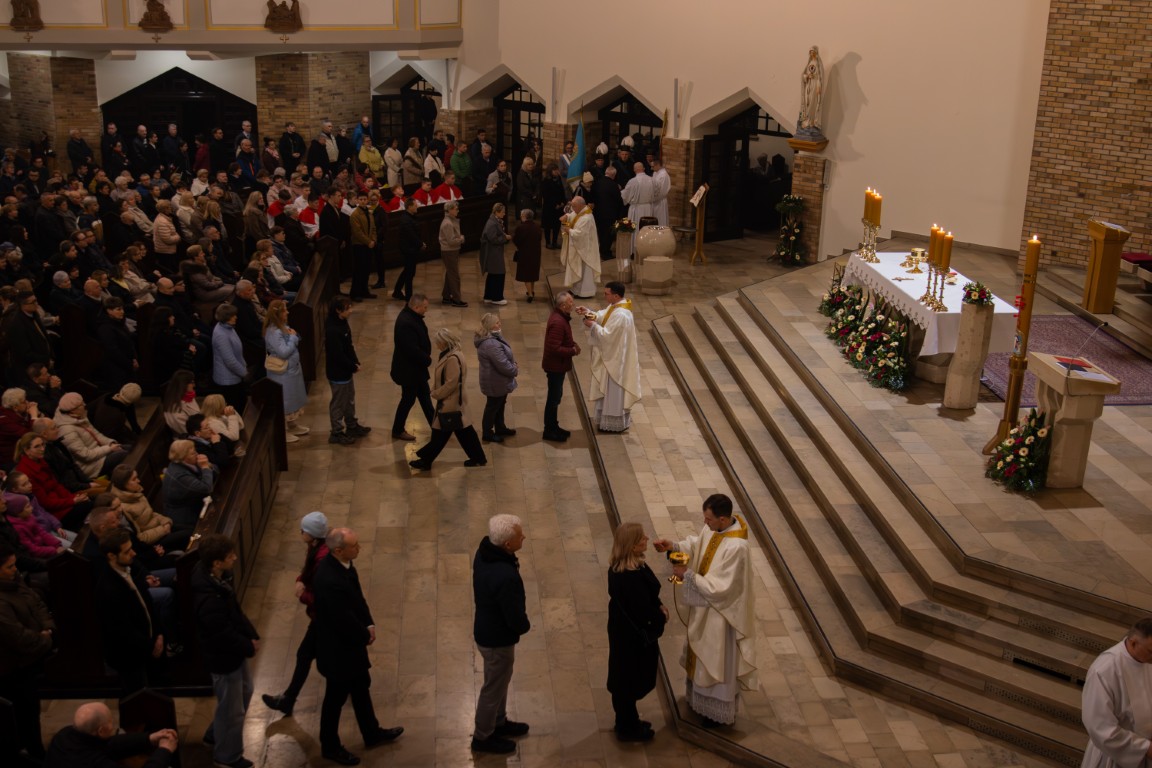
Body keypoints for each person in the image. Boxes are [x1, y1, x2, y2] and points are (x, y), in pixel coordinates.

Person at [652, 494, 757, 728]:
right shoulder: (714, 529)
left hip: (721, 615)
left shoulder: (737, 547)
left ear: (723, 519)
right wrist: (674, 546)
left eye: (709, 519)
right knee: (701, 657)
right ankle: (698, 700)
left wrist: (688, 575)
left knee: (715, 659)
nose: (705, 523)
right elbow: (698, 545)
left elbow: (722, 588)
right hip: (704, 609)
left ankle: (715, 712)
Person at [313, 527, 404, 765]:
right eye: (354, 546)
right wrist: (364, 635)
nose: (359, 548)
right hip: (338, 651)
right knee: (335, 699)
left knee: (361, 687)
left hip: (350, 646)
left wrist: (369, 623)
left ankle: (371, 733)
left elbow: (357, 599)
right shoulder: (329, 580)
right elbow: (342, 618)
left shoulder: (344, 565)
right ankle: (330, 747)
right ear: (338, 550)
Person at [192, 533, 260, 768]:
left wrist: (251, 634)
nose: (235, 558)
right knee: (232, 711)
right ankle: (227, 757)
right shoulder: (208, 599)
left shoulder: (218, 579)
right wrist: (247, 645)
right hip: (223, 658)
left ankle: (214, 735)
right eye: (230, 556)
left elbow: (235, 612)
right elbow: (222, 634)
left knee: (246, 691)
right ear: (216, 563)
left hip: (234, 653)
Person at [471, 514, 531, 755]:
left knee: (499, 681)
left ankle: (499, 721)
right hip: (497, 638)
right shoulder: (504, 576)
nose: (523, 537)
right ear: (507, 544)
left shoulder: (484, 552)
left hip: (488, 629)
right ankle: (483, 736)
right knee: (493, 688)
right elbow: (513, 614)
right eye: (519, 535)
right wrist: (523, 626)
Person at [262, 510, 330, 716]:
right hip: (321, 618)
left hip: (324, 618)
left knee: (311, 657)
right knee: (308, 655)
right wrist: (300, 579)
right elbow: (307, 571)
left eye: (303, 530)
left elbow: (323, 597)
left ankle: (288, 700)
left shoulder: (322, 558)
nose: (300, 532)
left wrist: (303, 594)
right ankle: (288, 699)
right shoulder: (315, 548)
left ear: (313, 534)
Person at [607, 522, 667, 741]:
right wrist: (661, 617)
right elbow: (642, 610)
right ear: (632, 546)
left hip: (624, 633)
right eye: (642, 537)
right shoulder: (628, 577)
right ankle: (627, 727)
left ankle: (628, 720)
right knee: (628, 680)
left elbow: (649, 596)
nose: (647, 538)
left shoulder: (625, 566)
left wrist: (658, 604)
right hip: (631, 638)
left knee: (626, 678)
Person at [0, 540, 54, 762]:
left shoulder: (14, 580)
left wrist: (48, 627)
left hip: (32, 658)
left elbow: (37, 602)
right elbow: (17, 637)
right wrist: (45, 640)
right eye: (10, 567)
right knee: (24, 716)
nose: (16, 570)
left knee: (33, 712)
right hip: (14, 668)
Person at [95, 527, 163, 696]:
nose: (133, 553)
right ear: (112, 556)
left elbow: (147, 604)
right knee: (137, 697)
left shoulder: (128, 569)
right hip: (129, 656)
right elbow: (123, 630)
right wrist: (151, 646)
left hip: (146, 646)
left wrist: (159, 634)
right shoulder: (108, 589)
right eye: (127, 551)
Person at [409, 328, 486, 471]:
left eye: (438, 342)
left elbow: (451, 383)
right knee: (463, 431)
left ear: (444, 343)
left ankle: (426, 460)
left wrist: (437, 393)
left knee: (441, 433)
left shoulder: (452, 359)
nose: (436, 345)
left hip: (450, 402)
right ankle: (478, 458)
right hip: (455, 402)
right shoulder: (454, 354)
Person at [1080, 618, 1152, 767]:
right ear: (1133, 643)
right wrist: (1145, 748)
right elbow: (1100, 726)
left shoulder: (1147, 660)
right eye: (1151, 651)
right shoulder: (1104, 670)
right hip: (1114, 756)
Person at [577, 281, 641, 433]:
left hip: (615, 360)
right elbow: (603, 316)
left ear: (616, 296)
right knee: (607, 390)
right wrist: (588, 312)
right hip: (613, 356)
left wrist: (592, 325)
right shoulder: (616, 307)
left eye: (607, 294)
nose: (604, 296)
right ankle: (606, 419)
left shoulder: (621, 314)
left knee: (613, 390)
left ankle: (613, 422)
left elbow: (608, 336)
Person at [44, 702, 178, 768]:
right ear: (101, 731)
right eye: (110, 721)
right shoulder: (95, 763)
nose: (113, 725)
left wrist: (149, 738)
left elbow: (108, 744)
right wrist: (164, 750)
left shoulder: (64, 735)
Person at [325, 296, 370, 445]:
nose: (351, 310)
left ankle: (351, 425)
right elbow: (337, 355)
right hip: (338, 372)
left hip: (346, 371)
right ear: (338, 310)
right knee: (338, 403)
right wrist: (352, 366)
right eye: (347, 308)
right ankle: (336, 433)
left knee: (349, 399)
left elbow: (348, 345)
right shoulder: (332, 329)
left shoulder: (342, 322)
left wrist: (355, 361)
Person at [264, 299, 311, 444]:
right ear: (278, 314)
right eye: (285, 310)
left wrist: (293, 336)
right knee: (285, 401)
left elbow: (293, 337)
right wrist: (293, 337)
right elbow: (283, 352)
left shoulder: (282, 326)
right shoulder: (273, 332)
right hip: (282, 372)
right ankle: (283, 431)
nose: (288, 312)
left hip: (291, 370)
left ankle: (292, 425)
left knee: (294, 398)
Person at [390, 294, 433, 441]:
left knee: (425, 397)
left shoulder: (411, 316)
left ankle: (436, 426)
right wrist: (427, 359)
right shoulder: (406, 323)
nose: (426, 310)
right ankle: (397, 430)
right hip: (409, 371)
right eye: (424, 307)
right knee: (408, 400)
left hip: (416, 370)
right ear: (416, 307)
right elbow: (411, 350)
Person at [541, 291, 580, 442]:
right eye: (570, 302)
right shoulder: (558, 322)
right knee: (553, 398)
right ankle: (549, 430)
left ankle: (554, 426)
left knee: (556, 397)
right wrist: (572, 351)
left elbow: (561, 340)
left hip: (558, 365)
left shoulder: (561, 317)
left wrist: (573, 343)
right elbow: (554, 348)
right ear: (563, 305)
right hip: (555, 366)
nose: (573, 304)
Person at [475, 313, 518, 444]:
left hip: (498, 380)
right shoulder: (491, 344)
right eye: (497, 322)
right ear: (490, 326)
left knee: (500, 404)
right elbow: (502, 364)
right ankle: (487, 433)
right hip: (495, 381)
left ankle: (500, 427)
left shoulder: (494, 337)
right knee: (493, 407)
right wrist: (514, 369)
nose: (500, 324)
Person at [161, 438, 216, 527]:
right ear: (183, 458)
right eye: (193, 453)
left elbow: (216, 472)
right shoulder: (179, 475)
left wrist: (208, 465)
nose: (197, 454)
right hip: (184, 518)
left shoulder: (188, 462)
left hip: (194, 504)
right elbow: (206, 488)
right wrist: (205, 467)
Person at [561, 195, 601, 300]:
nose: (573, 208)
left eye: (574, 206)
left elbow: (580, 234)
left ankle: (585, 293)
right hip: (580, 248)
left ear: (581, 205)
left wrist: (569, 230)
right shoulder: (581, 211)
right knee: (578, 269)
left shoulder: (587, 218)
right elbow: (573, 216)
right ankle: (575, 290)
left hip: (585, 250)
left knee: (584, 271)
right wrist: (567, 216)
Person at [620, 162, 656, 254]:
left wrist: (620, 191)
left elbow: (625, 195)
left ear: (634, 170)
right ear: (643, 169)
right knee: (647, 230)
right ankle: (646, 251)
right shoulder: (651, 180)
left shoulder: (632, 181)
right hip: (648, 208)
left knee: (636, 229)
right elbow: (656, 193)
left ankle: (634, 251)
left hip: (636, 208)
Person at [391, 198, 422, 302]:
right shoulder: (405, 220)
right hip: (408, 249)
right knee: (409, 273)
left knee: (408, 271)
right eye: (415, 205)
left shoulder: (410, 217)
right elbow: (411, 235)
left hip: (411, 248)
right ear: (409, 207)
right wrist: (420, 244)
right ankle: (409, 297)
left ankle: (397, 291)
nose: (417, 206)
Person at [348, 191, 376, 301]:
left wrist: (373, 240)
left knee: (366, 269)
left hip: (369, 245)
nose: (363, 201)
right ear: (357, 201)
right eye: (361, 199)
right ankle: (355, 293)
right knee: (358, 270)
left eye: (365, 199)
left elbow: (373, 228)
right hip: (359, 245)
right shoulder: (355, 214)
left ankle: (364, 291)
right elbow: (357, 232)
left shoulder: (369, 213)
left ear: (367, 200)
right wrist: (368, 242)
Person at [480, 202, 510, 305]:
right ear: (496, 212)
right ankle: (497, 298)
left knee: (492, 275)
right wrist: (505, 238)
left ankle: (488, 296)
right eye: (503, 212)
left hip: (494, 252)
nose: (504, 214)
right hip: (493, 253)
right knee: (498, 274)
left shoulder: (495, 221)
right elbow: (493, 239)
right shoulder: (492, 223)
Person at [438, 201, 467, 307]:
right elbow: (451, 241)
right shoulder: (447, 223)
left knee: (450, 274)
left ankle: (446, 297)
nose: (458, 210)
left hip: (452, 251)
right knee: (454, 276)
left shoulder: (451, 220)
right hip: (449, 251)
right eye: (456, 209)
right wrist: (461, 239)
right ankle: (456, 299)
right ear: (450, 210)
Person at [512, 209, 542, 302]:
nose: (521, 217)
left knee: (526, 274)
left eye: (521, 215)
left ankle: (530, 294)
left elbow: (516, 240)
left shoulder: (521, 228)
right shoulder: (537, 227)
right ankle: (531, 290)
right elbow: (540, 238)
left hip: (524, 254)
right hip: (535, 253)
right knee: (532, 273)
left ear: (524, 216)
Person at [650, 157, 671, 226]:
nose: (651, 168)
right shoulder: (655, 173)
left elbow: (662, 191)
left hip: (660, 202)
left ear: (658, 165)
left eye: (653, 166)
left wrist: (652, 198)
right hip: (654, 201)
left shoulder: (664, 175)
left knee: (660, 220)